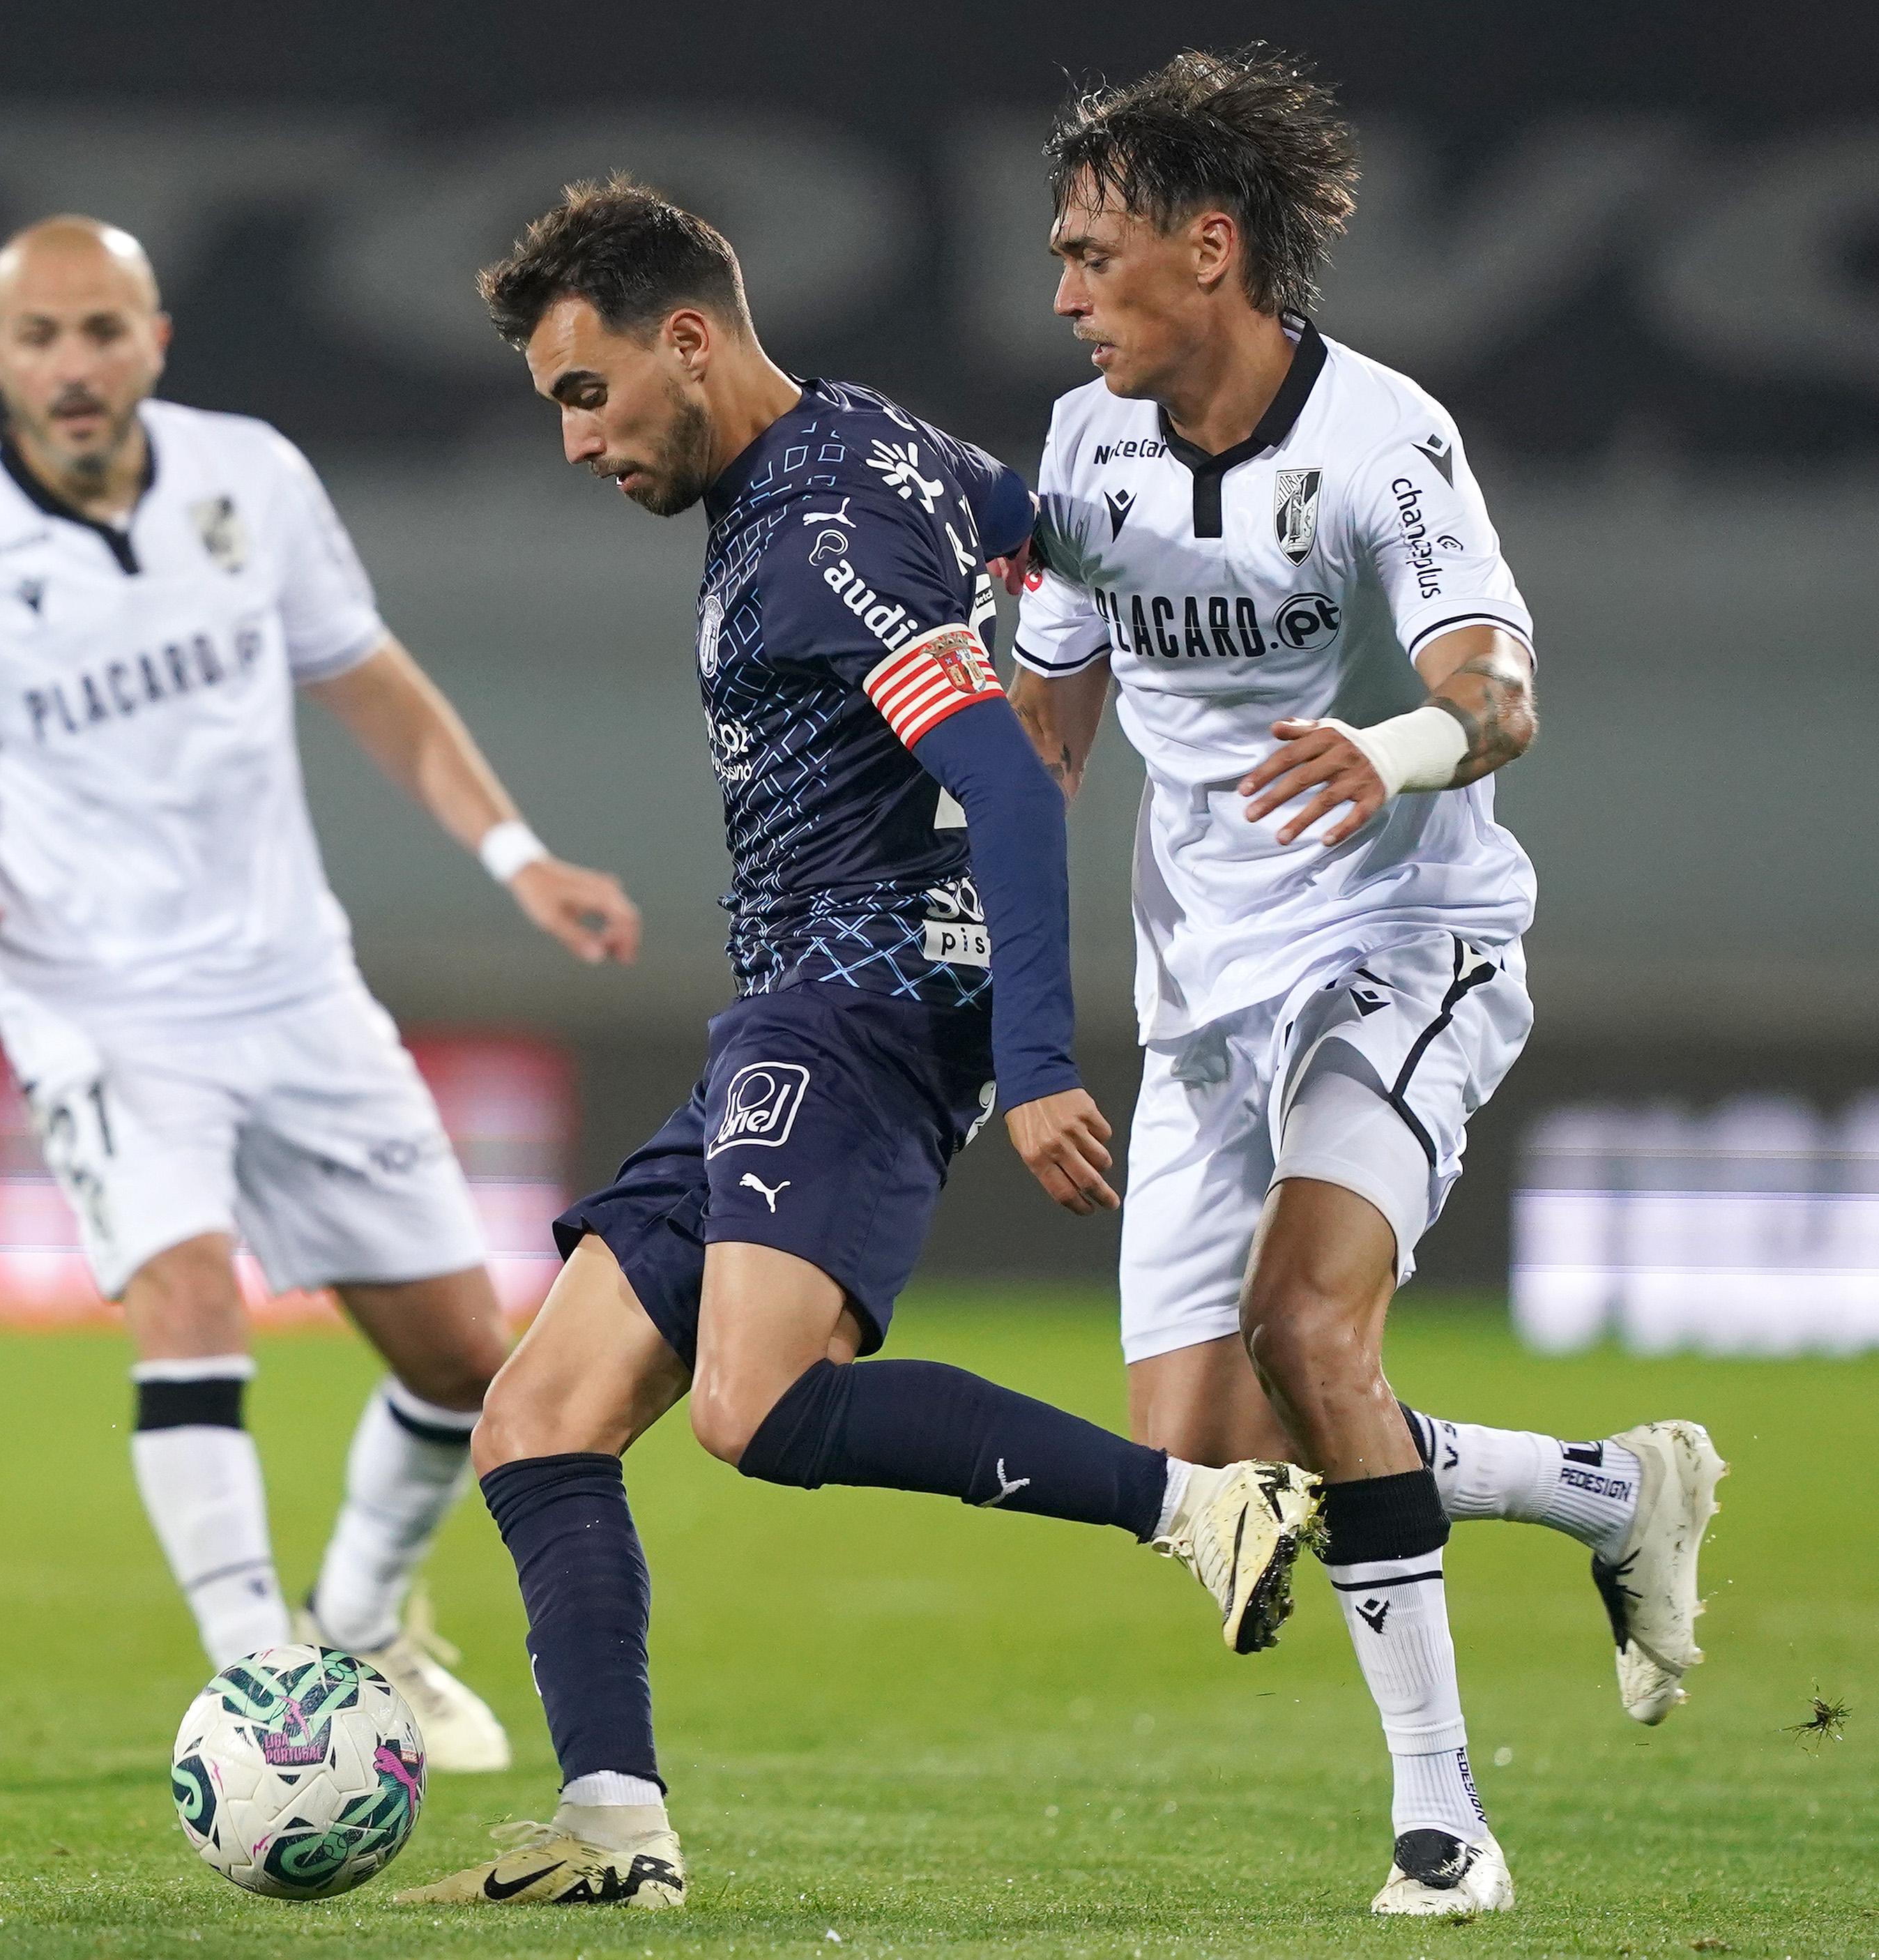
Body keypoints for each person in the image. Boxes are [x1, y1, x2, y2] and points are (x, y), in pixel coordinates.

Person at [394, 178, 1320, 1912]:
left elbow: (1001, 783)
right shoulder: (867, 444)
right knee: (534, 1417)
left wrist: (1037, 1052)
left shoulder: (813, 538)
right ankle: (612, 1829)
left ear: (686, 338)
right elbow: (1044, 529)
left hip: (857, 995)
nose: (577, 445)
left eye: (584, 394)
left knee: (749, 1407)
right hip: (795, 1005)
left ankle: (1198, 1506)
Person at [1010, 48, 1726, 1918]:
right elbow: (1051, 730)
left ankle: (1445, 1827)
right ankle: (1608, 1494)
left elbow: (1501, 693)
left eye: (1093, 254)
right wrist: (978, 937)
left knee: (1311, 1333)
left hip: (1403, 944)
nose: (1064, 293)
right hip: (1204, 1000)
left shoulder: (1382, 442)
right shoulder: (1083, 447)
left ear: (1213, 248)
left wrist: (1390, 750)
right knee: (1201, 1449)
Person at [0, 215, 643, 1774]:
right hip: (94, 999)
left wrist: (514, 855)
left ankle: (358, 1618)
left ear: (153, 340)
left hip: (289, 981)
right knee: (185, 1295)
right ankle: (268, 1688)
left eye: (100, 331)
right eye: (40, 337)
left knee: (471, 1361)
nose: (73, 365)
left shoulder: (246, 477)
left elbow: (367, 678)